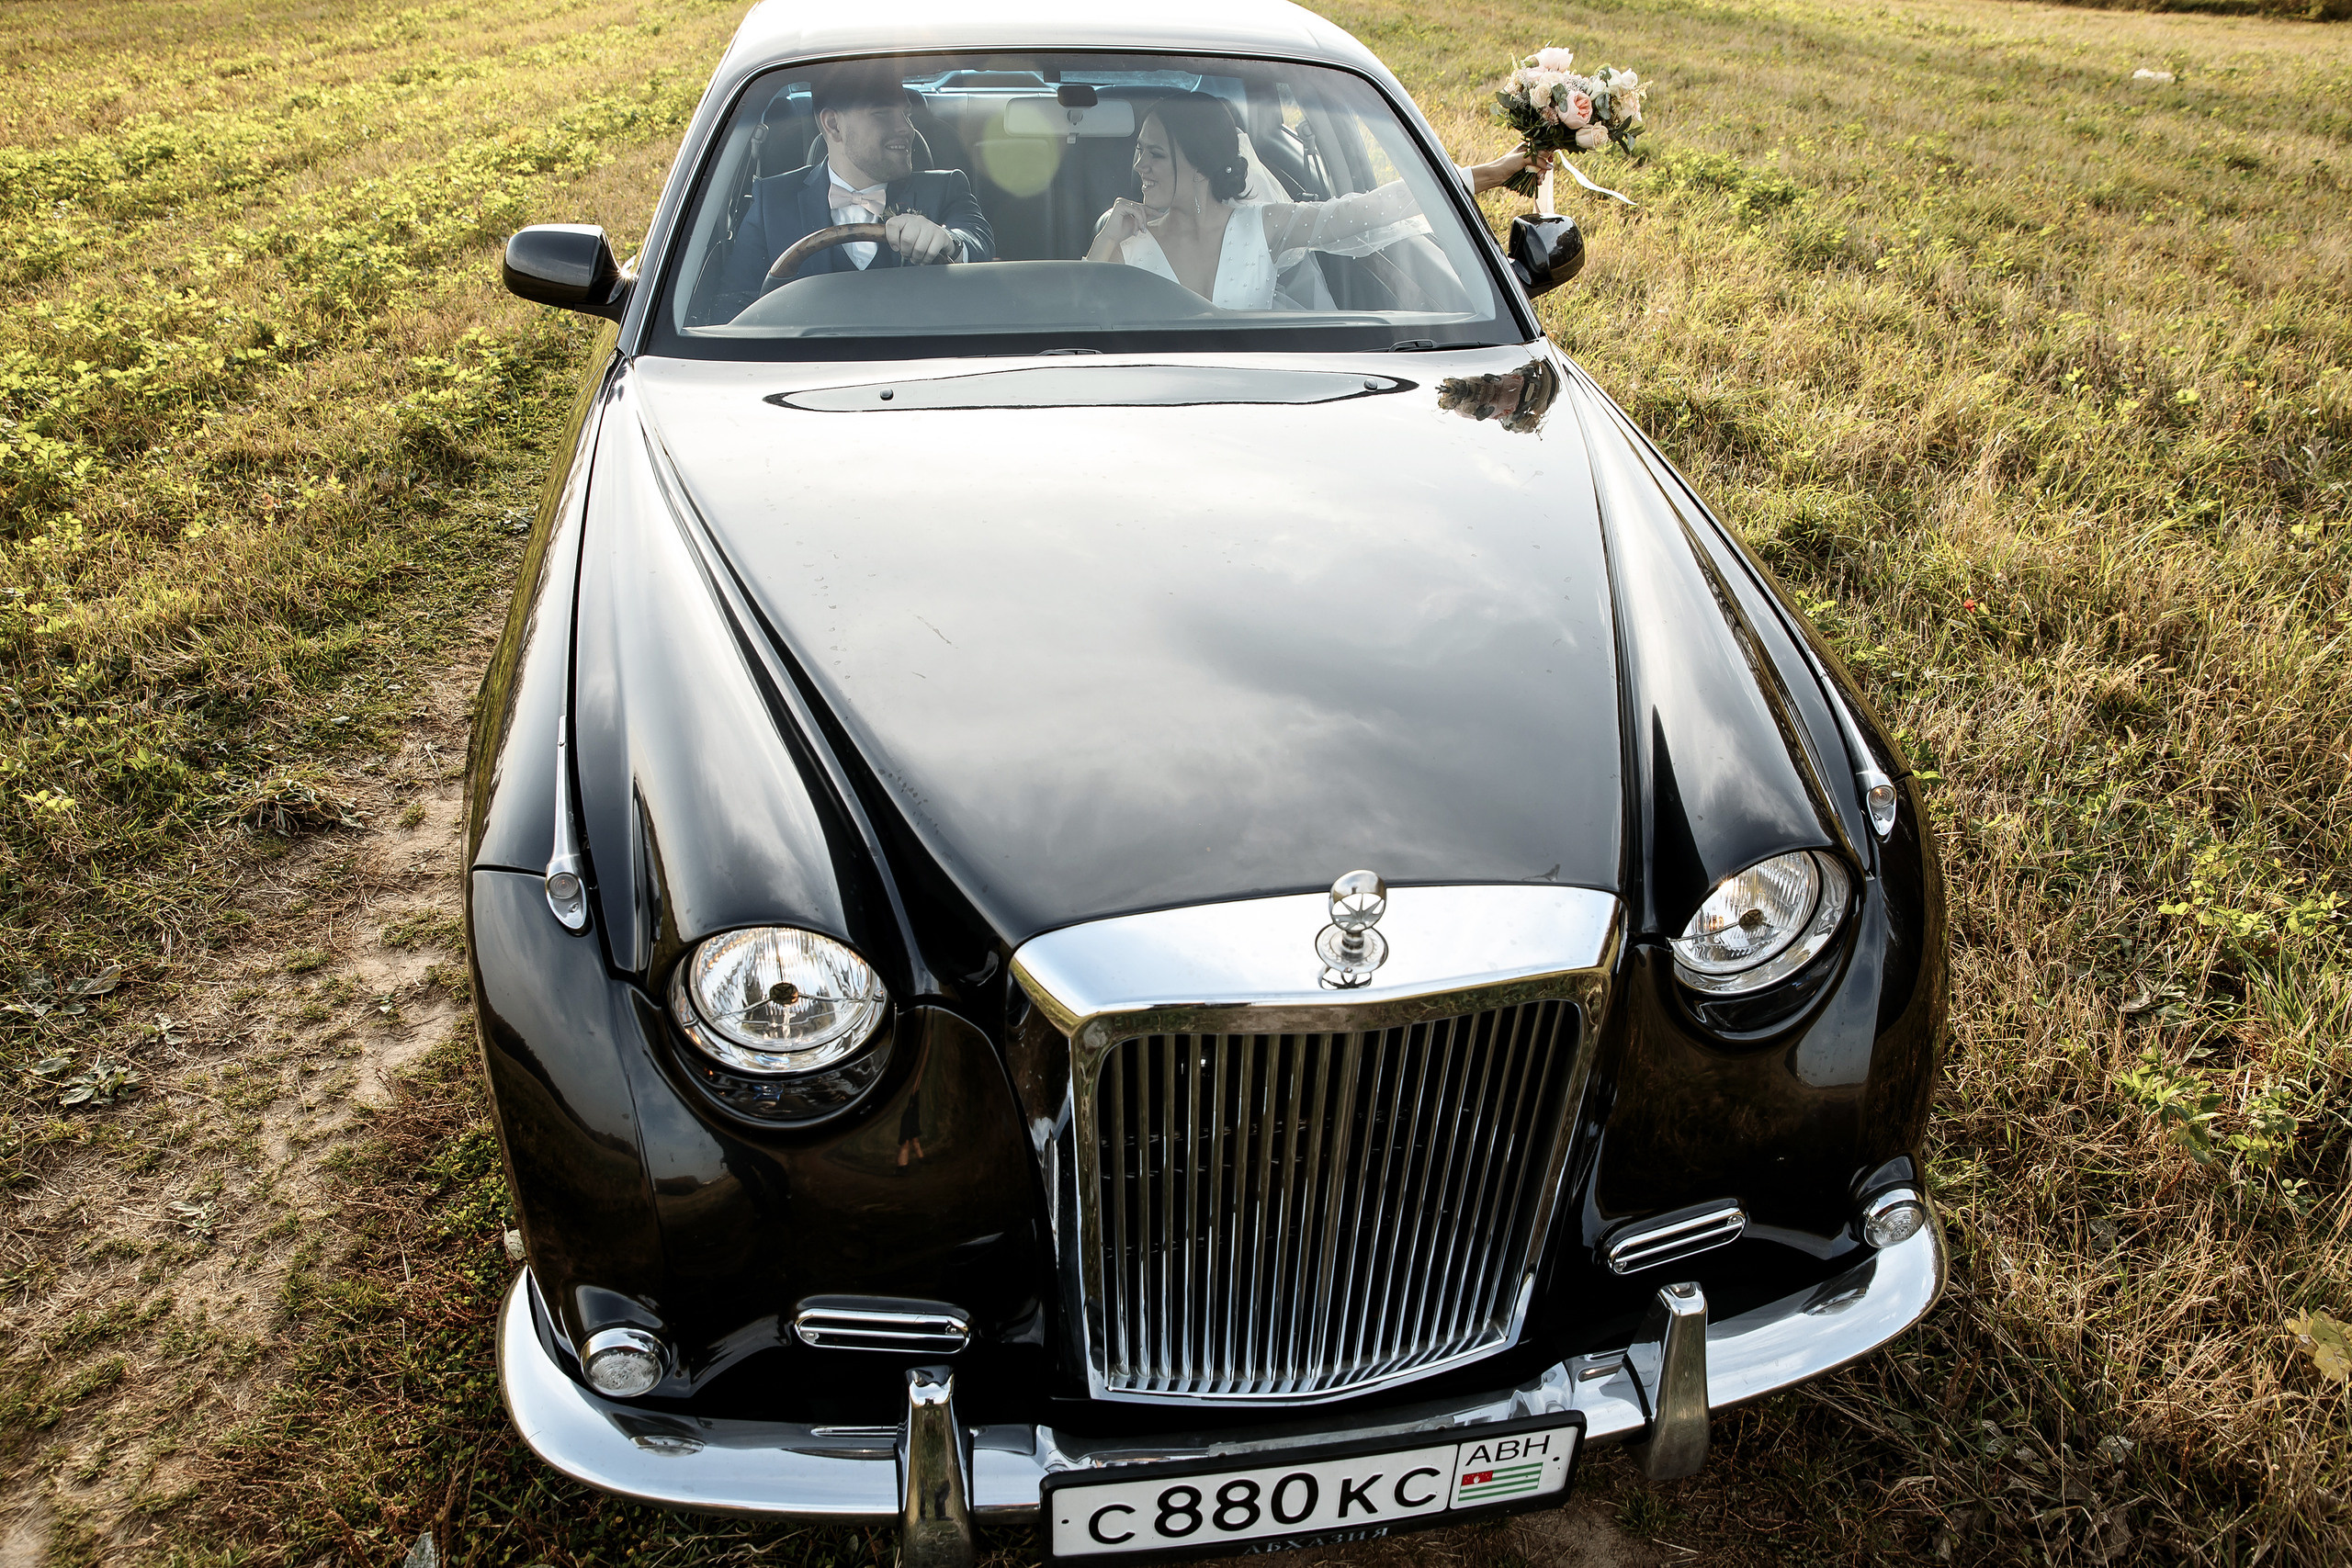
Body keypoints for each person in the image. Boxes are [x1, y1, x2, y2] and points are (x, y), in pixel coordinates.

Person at [1082, 92, 1527, 310]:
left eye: (1155, 153)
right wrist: (1104, 242)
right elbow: (1072, 315)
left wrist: (1488, 173)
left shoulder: (1264, 226)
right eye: (1139, 150)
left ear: (1200, 166)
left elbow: (1365, 211)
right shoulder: (1127, 245)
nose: (1139, 165)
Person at [716, 62, 993, 307]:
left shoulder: (946, 188)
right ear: (833, 124)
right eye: (883, 113)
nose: (906, 128)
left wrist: (948, 242)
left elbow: (978, 242)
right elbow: (733, 304)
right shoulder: (772, 201)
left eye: (906, 114)